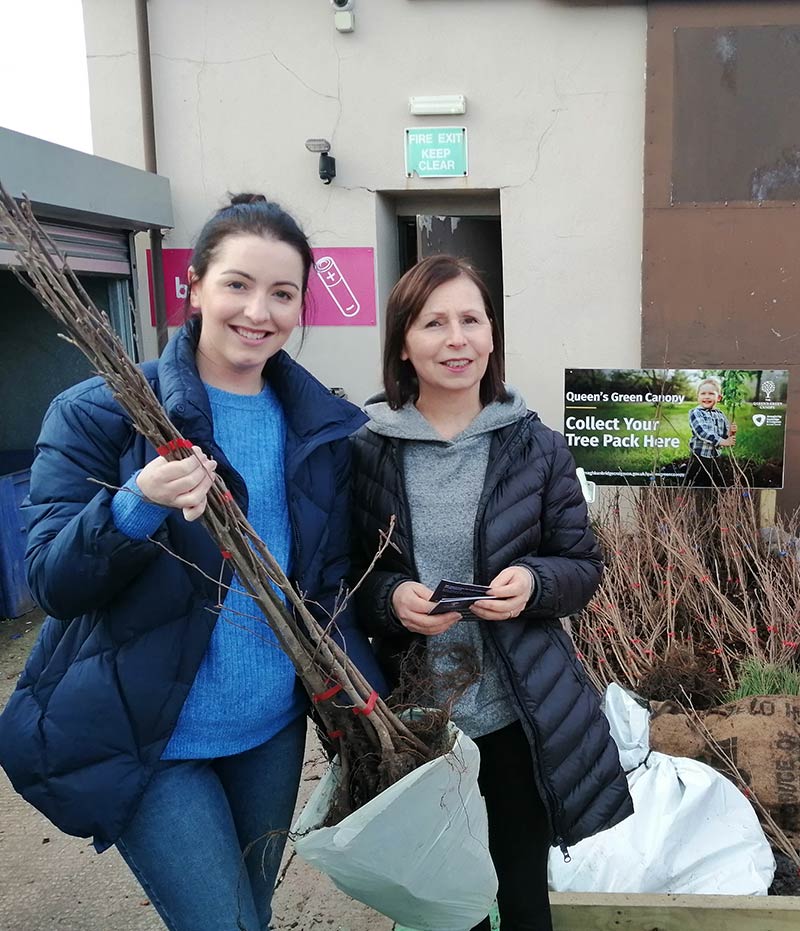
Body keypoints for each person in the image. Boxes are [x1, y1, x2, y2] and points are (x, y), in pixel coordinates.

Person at [0, 193, 385, 931]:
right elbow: (53, 581)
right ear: (195, 286)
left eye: (282, 293)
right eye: (238, 284)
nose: (258, 310)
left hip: (270, 731)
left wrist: (369, 701)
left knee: (254, 913)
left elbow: (326, 588)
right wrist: (134, 502)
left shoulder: (319, 430)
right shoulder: (100, 413)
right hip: (153, 737)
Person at [350, 255, 633, 931]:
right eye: (434, 322)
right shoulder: (366, 452)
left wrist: (534, 583)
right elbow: (344, 580)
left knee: (524, 900)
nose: (457, 339)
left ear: (492, 334)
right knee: (446, 908)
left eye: (471, 319)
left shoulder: (535, 447)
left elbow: (582, 565)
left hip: (516, 712)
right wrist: (389, 597)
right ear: (402, 343)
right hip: (420, 723)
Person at [685, 376, 737, 486]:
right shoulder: (696, 413)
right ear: (698, 397)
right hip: (699, 457)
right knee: (695, 481)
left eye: (711, 393)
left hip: (716, 456)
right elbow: (703, 433)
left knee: (714, 481)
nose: (707, 397)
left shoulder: (720, 414)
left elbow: (724, 434)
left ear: (719, 398)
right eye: (703, 394)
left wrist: (731, 433)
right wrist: (724, 442)